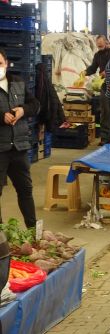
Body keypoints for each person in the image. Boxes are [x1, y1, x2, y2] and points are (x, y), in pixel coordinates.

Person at [0, 48, 39, 229]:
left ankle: (32, 231)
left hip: (19, 147)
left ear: (6, 63)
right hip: (1, 149)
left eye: (0, 63)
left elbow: (35, 105)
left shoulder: (18, 82)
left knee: (25, 190)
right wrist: (1, 116)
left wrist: (23, 110)